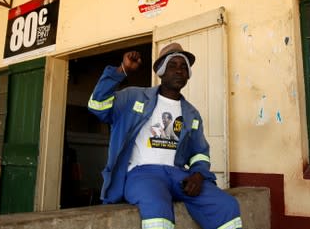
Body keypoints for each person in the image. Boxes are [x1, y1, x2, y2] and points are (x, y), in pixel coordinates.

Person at [88, 43, 242, 229]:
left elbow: (199, 153)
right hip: (142, 174)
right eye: (173, 66)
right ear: (160, 71)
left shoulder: (191, 113)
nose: (179, 71)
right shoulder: (133, 97)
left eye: (184, 67)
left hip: (178, 175)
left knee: (227, 206)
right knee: (157, 209)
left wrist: (199, 175)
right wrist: (122, 70)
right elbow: (97, 105)